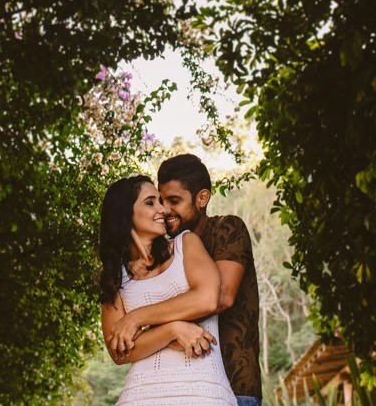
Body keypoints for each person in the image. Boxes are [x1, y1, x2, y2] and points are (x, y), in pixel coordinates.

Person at [107, 155, 262, 406]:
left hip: (233, 380)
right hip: (157, 387)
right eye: (158, 200)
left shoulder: (226, 229)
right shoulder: (154, 257)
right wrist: (171, 332)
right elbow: (120, 346)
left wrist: (136, 320)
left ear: (201, 198)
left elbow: (218, 297)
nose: (164, 209)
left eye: (173, 201)